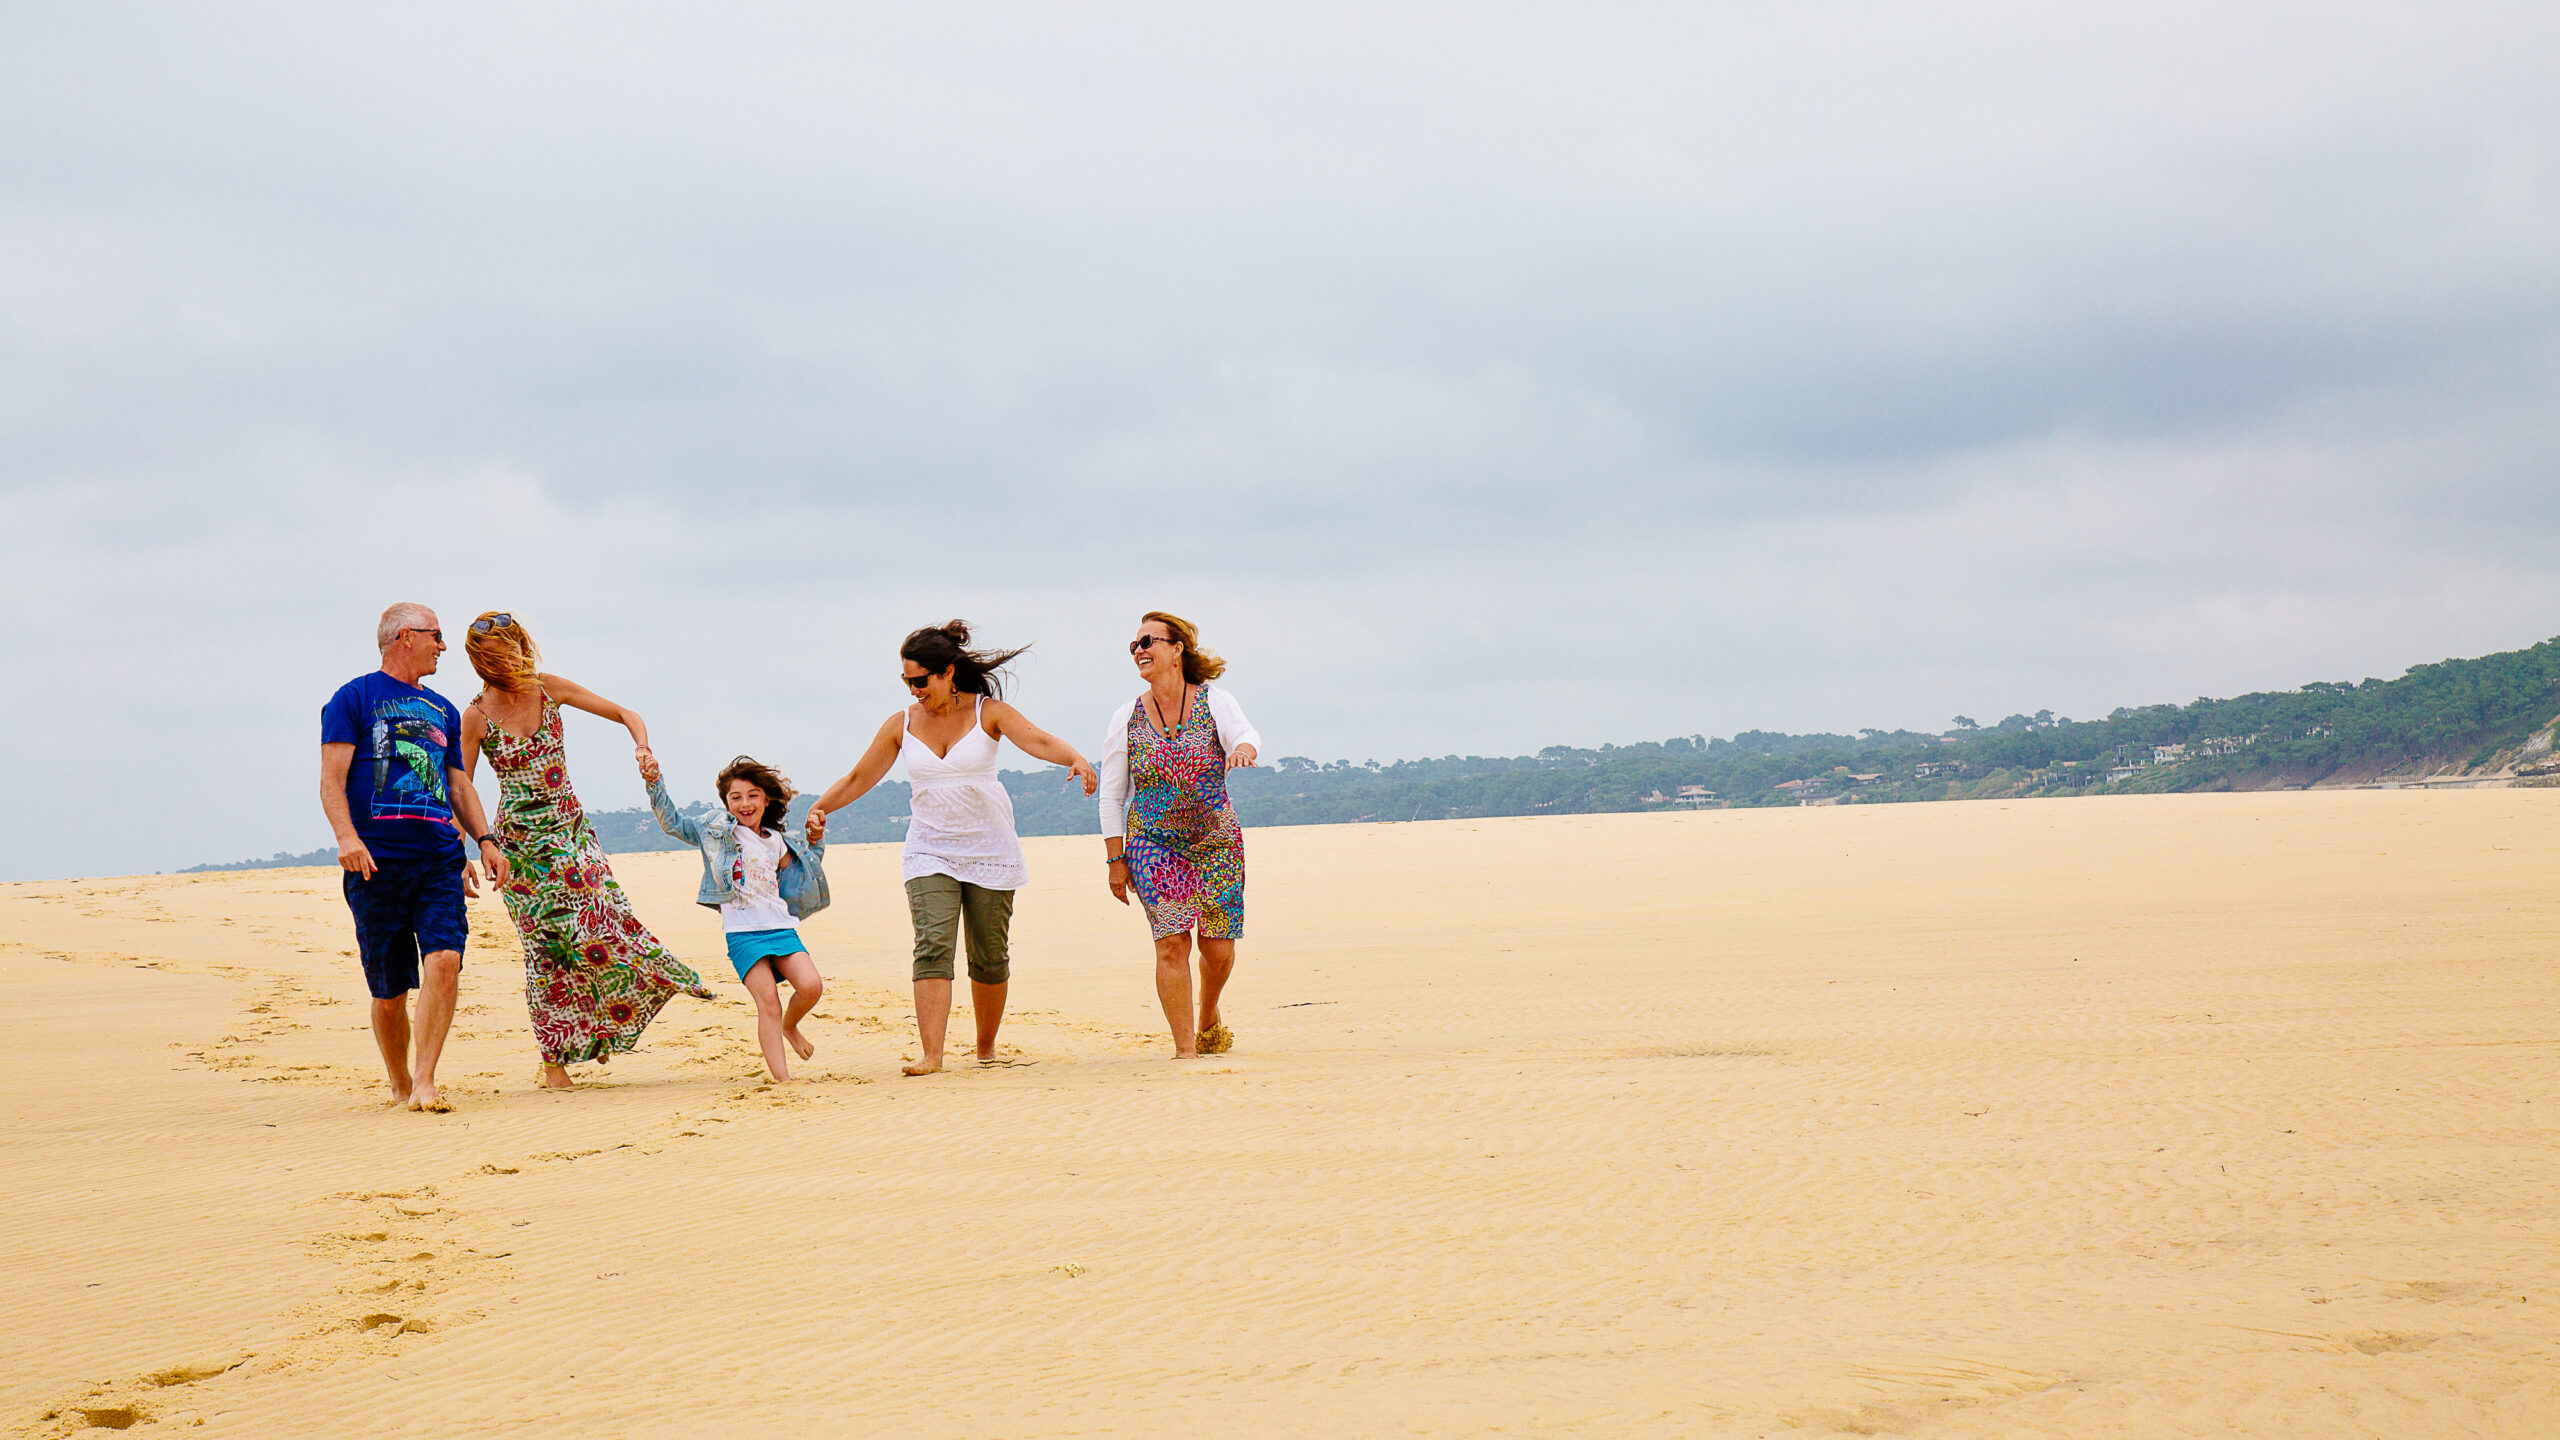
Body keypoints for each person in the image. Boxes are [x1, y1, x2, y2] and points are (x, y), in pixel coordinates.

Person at [809, 621, 1098, 1075]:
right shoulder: (900, 724)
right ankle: (933, 1055)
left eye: (920, 680)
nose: (914, 689)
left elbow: (1038, 740)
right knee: (932, 946)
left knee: (988, 956)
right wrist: (820, 809)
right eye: (907, 681)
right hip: (929, 849)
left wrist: (1076, 759)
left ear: (947, 672)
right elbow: (858, 777)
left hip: (990, 849)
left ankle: (985, 1048)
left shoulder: (990, 712)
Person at [455, 612, 711, 1089]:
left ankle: (610, 1020)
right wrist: (466, 850)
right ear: (482, 661)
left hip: (571, 834)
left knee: (603, 926)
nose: (511, 661)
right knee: (545, 949)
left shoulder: (549, 688)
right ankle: (554, 1062)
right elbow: (461, 787)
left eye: (514, 650)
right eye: (498, 656)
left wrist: (643, 749)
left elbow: (626, 714)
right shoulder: (475, 716)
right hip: (520, 849)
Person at [321, 602, 506, 1113]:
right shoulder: (352, 698)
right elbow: (330, 779)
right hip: (374, 863)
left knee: (445, 960)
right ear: (406, 636)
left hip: (438, 861)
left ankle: (425, 1080)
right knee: (389, 991)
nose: (443, 647)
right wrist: (346, 838)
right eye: (436, 636)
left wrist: (483, 841)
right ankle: (399, 1080)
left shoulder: (444, 709)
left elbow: (457, 784)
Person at [1097, 611, 1261, 1059]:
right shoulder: (1126, 717)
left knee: (1218, 948)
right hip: (1154, 842)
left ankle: (1208, 1012)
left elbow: (1242, 733)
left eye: (1149, 641)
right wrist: (1116, 860)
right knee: (1171, 942)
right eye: (1134, 645)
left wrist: (1244, 749)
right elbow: (1112, 796)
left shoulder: (1215, 701)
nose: (1140, 651)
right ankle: (1185, 1051)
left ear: (1176, 650)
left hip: (1215, 840)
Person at [645, 753, 831, 1082]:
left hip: (780, 927)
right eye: (736, 797)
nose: (744, 804)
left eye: (752, 795)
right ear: (727, 802)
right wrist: (654, 782)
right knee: (768, 1004)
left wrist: (815, 839)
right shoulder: (717, 831)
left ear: (767, 799)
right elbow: (673, 823)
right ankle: (784, 1081)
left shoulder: (775, 841)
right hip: (742, 934)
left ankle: (791, 1025)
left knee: (811, 986)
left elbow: (806, 866)